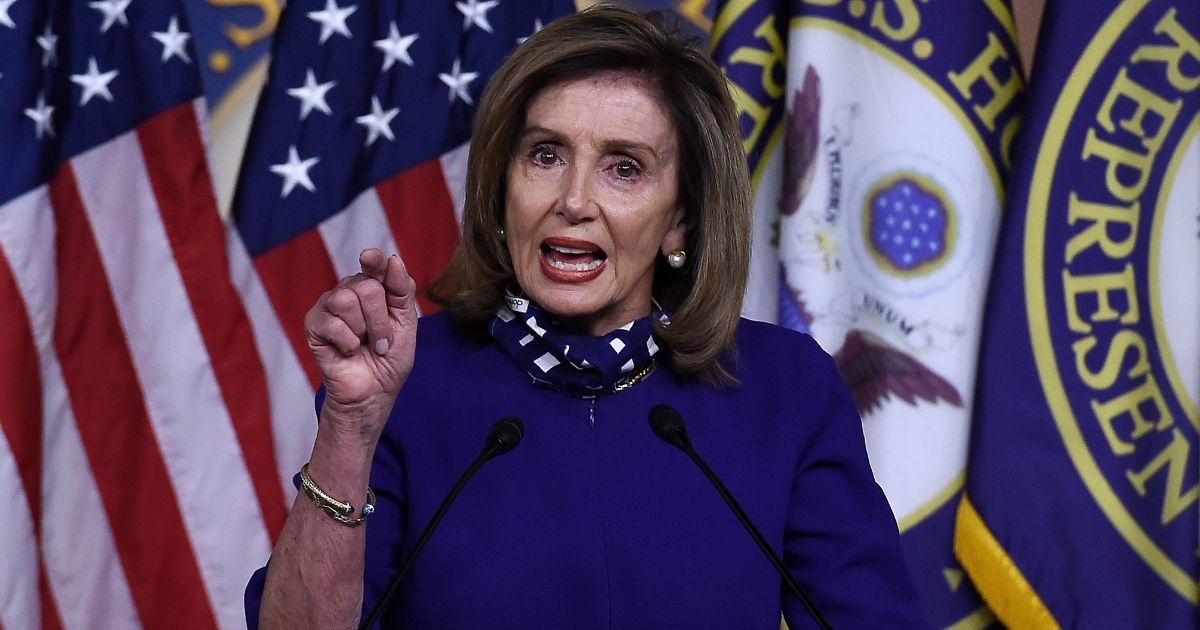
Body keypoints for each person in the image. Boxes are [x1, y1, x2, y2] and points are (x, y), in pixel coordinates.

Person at [246, 5, 928, 629]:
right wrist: (351, 424)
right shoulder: (410, 382)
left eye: (624, 168)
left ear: (680, 218)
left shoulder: (785, 388)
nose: (573, 200)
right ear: (500, 186)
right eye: (545, 155)